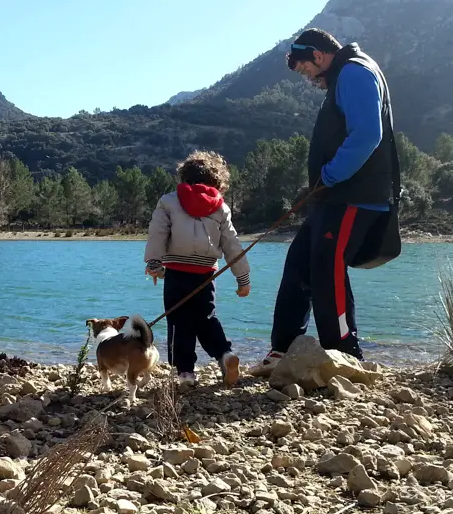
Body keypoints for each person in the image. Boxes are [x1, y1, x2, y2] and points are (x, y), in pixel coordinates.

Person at [261, 28, 400, 368]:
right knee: (300, 263)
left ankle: (343, 355)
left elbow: (368, 133)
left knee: (327, 269)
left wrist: (331, 174)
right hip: (334, 198)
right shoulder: (343, 76)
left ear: (319, 56)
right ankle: (285, 350)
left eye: (305, 68)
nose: (306, 76)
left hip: (353, 195)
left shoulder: (355, 71)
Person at [144, 150, 250, 387]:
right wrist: (242, 278)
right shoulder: (220, 207)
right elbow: (232, 244)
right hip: (205, 274)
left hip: (176, 272)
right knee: (206, 317)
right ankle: (225, 354)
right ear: (217, 181)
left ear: (184, 177)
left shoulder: (169, 201)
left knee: (178, 320)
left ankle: (185, 373)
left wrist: (154, 262)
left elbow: (158, 233)